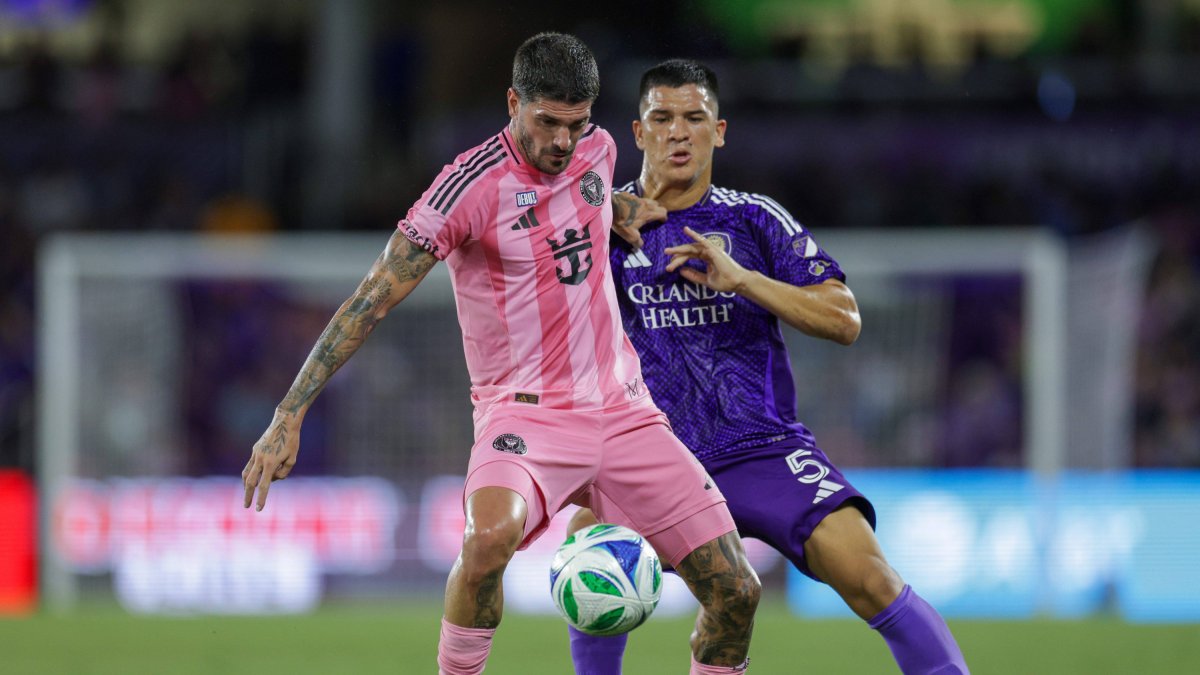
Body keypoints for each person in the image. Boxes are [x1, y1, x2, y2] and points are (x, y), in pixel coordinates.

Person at [240, 35, 761, 675]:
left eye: (577, 124)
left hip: (625, 410)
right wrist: (289, 412)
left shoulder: (598, 150)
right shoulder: (468, 186)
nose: (564, 143)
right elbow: (372, 297)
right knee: (487, 542)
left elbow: (586, 205)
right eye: (547, 123)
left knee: (737, 591)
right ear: (513, 102)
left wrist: (621, 210)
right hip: (526, 415)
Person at [566, 59, 970, 674]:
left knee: (872, 580)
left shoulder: (753, 219)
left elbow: (844, 318)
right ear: (638, 131)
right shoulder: (597, 224)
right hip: (652, 452)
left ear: (719, 131)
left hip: (764, 448)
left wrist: (743, 280)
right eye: (663, 118)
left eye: (695, 118)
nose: (679, 132)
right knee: (594, 568)